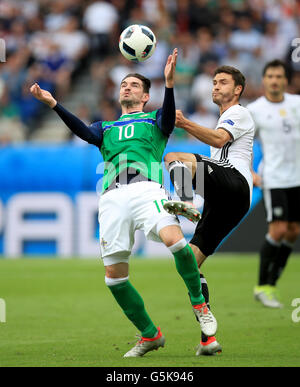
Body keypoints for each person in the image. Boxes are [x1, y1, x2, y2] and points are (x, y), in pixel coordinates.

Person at [30, 48, 217, 358]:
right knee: (114, 279)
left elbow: (170, 119)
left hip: (147, 191)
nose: (126, 88)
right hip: (112, 198)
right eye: (124, 85)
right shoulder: (105, 128)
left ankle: (199, 304)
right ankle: (150, 334)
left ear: (145, 96)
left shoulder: (155, 119)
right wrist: (54, 104)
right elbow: (82, 132)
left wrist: (169, 85)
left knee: (177, 244)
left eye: (134, 85)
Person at [163, 65, 255, 355]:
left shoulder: (238, 112)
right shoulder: (225, 116)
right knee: (188, 263)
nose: (215, 86)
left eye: (222, 82)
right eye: (214, 82)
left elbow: (218, 140)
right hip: (229, 201)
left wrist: (185, 123)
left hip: (235, 184)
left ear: (237, 89)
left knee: (174, 157)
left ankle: (186, 201)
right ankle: (208, 339)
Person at [248, 60, 300, 308]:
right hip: (275, 177)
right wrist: (249, 171)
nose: (275, 80)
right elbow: (243, 142)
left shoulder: (296, 104)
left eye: (279, 76)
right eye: (270, 76)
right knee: (278, 230)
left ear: (286, 80)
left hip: (298, 177)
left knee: (293, 231)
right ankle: (263, 285)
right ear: (264, 80)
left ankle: (273, 279)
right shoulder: (255, 110)